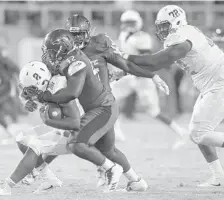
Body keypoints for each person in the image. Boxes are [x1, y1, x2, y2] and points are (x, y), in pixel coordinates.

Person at [32, 29, 150, 192]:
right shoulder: (70, 58)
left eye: (51, 51)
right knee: (108, 150)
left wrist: (46, 97)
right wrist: (34, 97)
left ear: (62, 48)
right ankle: (136, 181)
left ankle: (111, 169)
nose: (48, 55)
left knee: (76, 143)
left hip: (102, 109)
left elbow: (72, 92)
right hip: (103, 106)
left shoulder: (76, 62)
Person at [123, 5, 224, 187]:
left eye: (165, 25)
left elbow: (153, 62)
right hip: (212, 83)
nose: (161, 30)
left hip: (219, 82)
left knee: (199, 133)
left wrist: (122, 57)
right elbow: (162, 63)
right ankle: (219, 176)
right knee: (196, 132)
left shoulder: (183, 38)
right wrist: (124, 70)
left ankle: (219, 176)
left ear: (177, 22)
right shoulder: (182, 35)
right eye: (160, 26)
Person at [0, 61, 78, 196]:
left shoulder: (61, 88)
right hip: (59, 126)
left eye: (33, 89)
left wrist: (49, 119)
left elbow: (75, 122)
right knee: (22, 138)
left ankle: (7, 186)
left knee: (35, 145)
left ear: (43, 82)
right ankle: (49, 178)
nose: (29, 92)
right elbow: (25, 96)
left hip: (76, 134)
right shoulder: (46, 83)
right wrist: (28, 101)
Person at [113, 10, 188, 148]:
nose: (129, 26)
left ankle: (180, 132)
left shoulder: (142, 37)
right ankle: (117, 132)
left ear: (138, 23)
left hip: (142, 78)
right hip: (129, 77)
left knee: (154, 112)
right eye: (127, 22)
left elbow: (144, 60)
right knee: (108, 97)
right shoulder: (123, 35)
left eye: (131, 23)